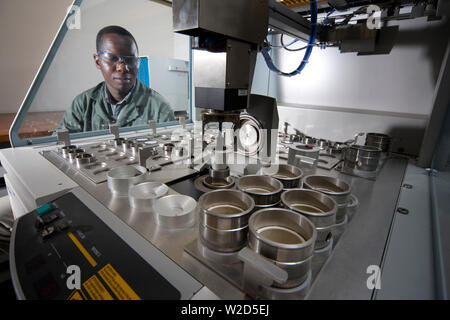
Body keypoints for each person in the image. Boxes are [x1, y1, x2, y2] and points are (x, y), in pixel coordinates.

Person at [57, 25, 175, 133]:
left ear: (138, 63)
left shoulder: (159, 109)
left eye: (130, 60)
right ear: (98, 61)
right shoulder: (83, 104)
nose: (122, 68)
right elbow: (58, 144)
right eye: (113, 58)